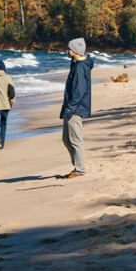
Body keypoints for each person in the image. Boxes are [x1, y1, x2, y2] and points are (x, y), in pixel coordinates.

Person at [59, 36, 92, 178]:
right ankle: (77, 166)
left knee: (75, 140)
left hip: (75, 109)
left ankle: (80, 169)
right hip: (72, 108)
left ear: (75, 50)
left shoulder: (80, 67)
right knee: (66, 139)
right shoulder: (76, 64)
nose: (67, 51)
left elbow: (78, 92)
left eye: (69, 49)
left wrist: (69, 109)